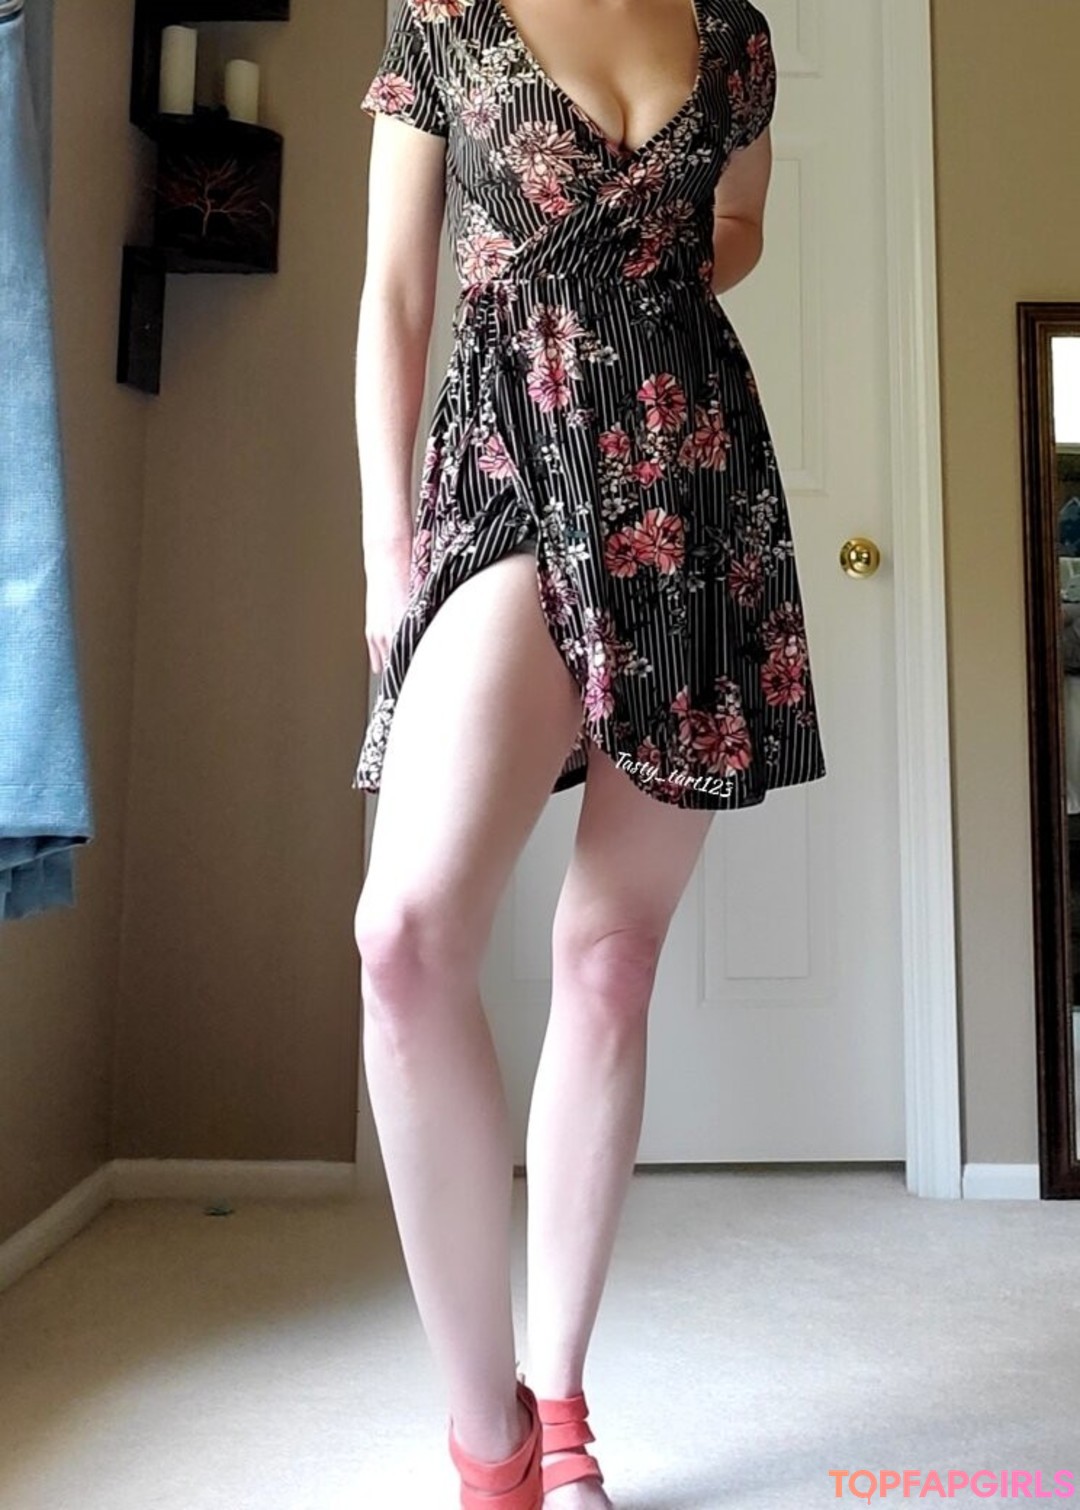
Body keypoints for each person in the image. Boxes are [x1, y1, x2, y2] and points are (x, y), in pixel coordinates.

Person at [350, 1, 827, 1505]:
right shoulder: (444, 15)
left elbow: (737, 225)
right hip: (505, 447)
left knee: (611, 957)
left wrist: (660, 254)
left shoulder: (734, 35)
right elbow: (395, 288)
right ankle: (480, 1429)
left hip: (686, 461)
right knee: (404, 938)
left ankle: (556, 1408)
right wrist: (385, 549)